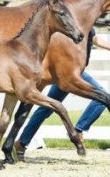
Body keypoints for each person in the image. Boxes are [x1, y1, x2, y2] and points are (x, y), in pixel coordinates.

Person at [14, 28, 110, 161]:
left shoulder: (84, 23)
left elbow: (95, 39)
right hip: (71, 73)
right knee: (102, 97)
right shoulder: (71, 24)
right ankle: (78, 130)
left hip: (69, 73)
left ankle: (21, 143)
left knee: (46, 108)